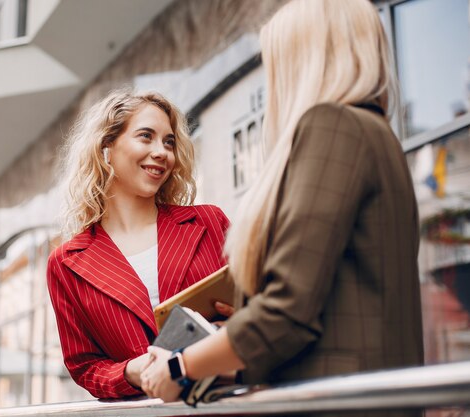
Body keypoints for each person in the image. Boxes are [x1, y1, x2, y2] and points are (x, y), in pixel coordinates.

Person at [141, 0, 424, 409]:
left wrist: (180, 366)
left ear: (301, 60)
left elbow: (288, 312)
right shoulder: (379, 137)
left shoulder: (332, 125)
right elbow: (333, 309)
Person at [46, 89, 231, 399]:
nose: (162, 152)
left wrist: (236, 321)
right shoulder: (66, 263)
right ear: (107, 148)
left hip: (225, 401)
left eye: (169, 142)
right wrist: (131, 370)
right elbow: (84, 367)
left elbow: (259, 309)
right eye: (146, 137)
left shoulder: (209, 223)